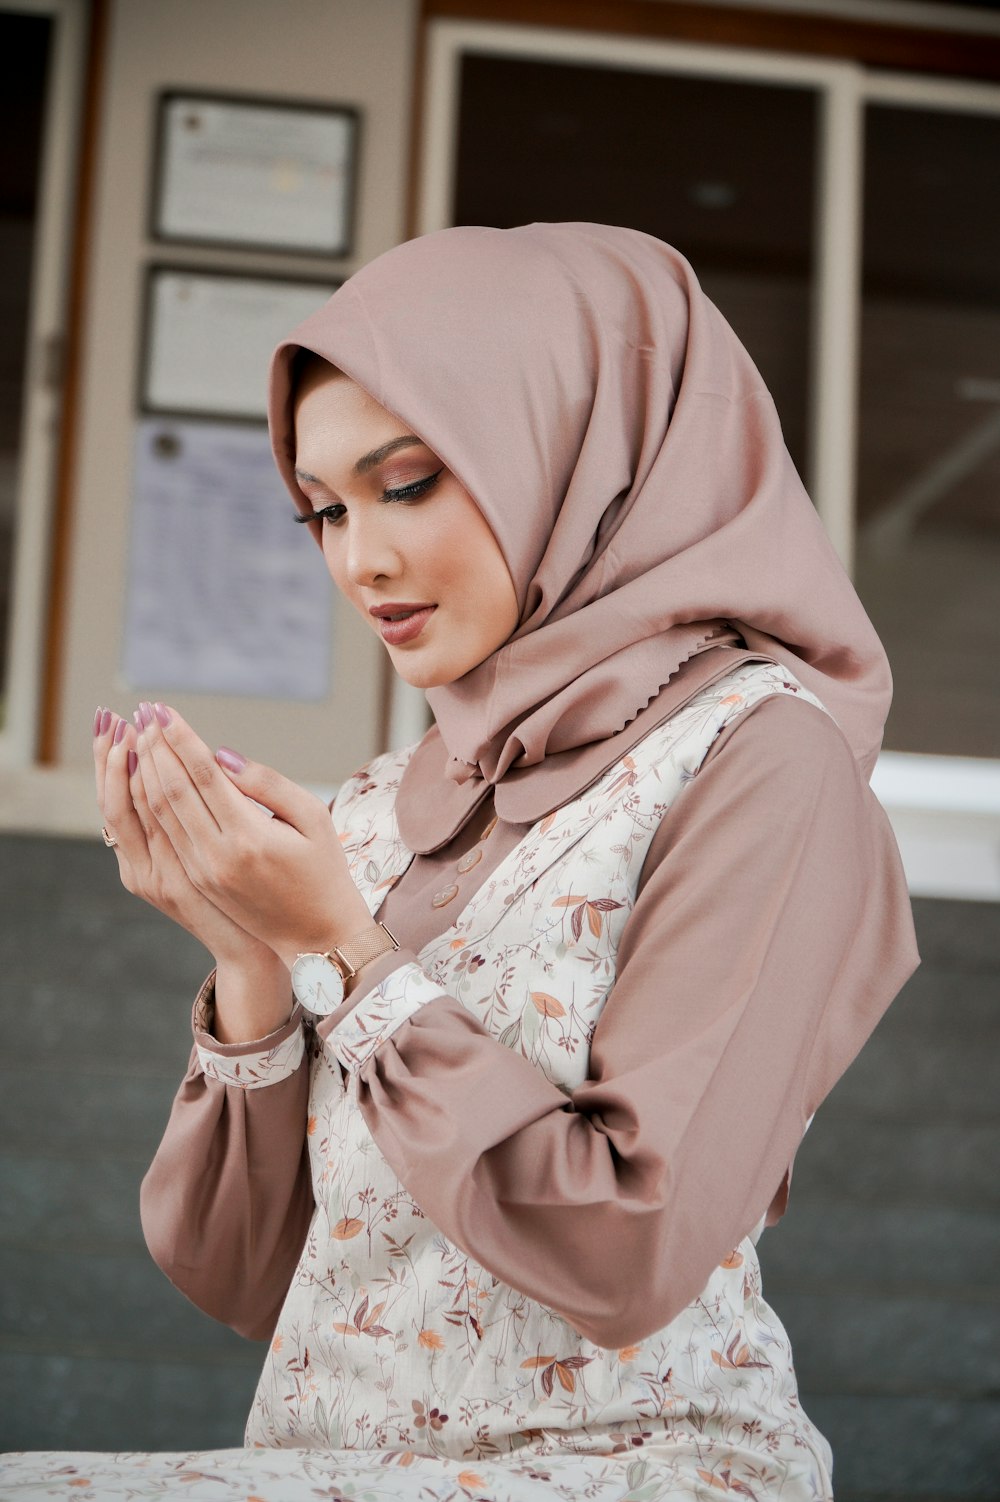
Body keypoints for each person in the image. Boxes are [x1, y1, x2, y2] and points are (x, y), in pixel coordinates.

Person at [10, 224, 918, 1501]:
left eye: (410, 482)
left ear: (574, 450)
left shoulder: (761, 759)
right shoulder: (382, 804)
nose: (358, 560)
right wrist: (250, 955)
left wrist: (354, 955)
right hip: (333, 1466)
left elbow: (627, 1247)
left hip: (630, 1468)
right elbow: (245, 1276)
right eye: (323, 509)